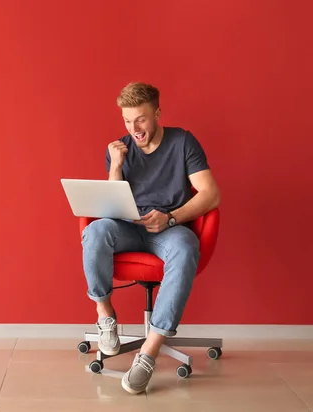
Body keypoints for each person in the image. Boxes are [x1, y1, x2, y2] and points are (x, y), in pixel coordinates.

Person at [81, 82, 220, 394]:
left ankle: (149, 353)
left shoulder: (183, 141)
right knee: (95, 231)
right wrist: (115, 166)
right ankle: (105, 314)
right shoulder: (119, 148)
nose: (134, 129)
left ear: (157, 113)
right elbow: (112, 209)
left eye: (141, 120)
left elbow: (211, 194)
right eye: (128, 121)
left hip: (169, 229)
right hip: (128, 227)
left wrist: (170, 218)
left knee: (186, 248)